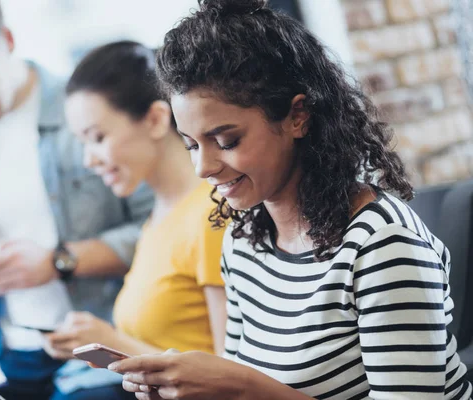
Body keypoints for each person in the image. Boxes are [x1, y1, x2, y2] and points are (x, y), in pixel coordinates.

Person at [110, 1, 473, 399]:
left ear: (297, 116)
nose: (203, 168)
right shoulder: (244, 241)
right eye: (191, 145)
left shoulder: (381, 244)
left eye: (227, 141)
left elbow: (247, 386)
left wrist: (242, 384)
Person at [0, 1, 153, 400]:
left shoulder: (86, 111)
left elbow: (158, 232)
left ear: (8, 40)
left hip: (106, 347)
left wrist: (58, 262)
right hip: (12, 354)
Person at [41, 41, 228, 400]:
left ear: (156, 119)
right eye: (82, 142)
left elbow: (226, 379)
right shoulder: (158, 217)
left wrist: (113, 343)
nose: (88, 161)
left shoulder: (211, 214)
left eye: (97, 137)